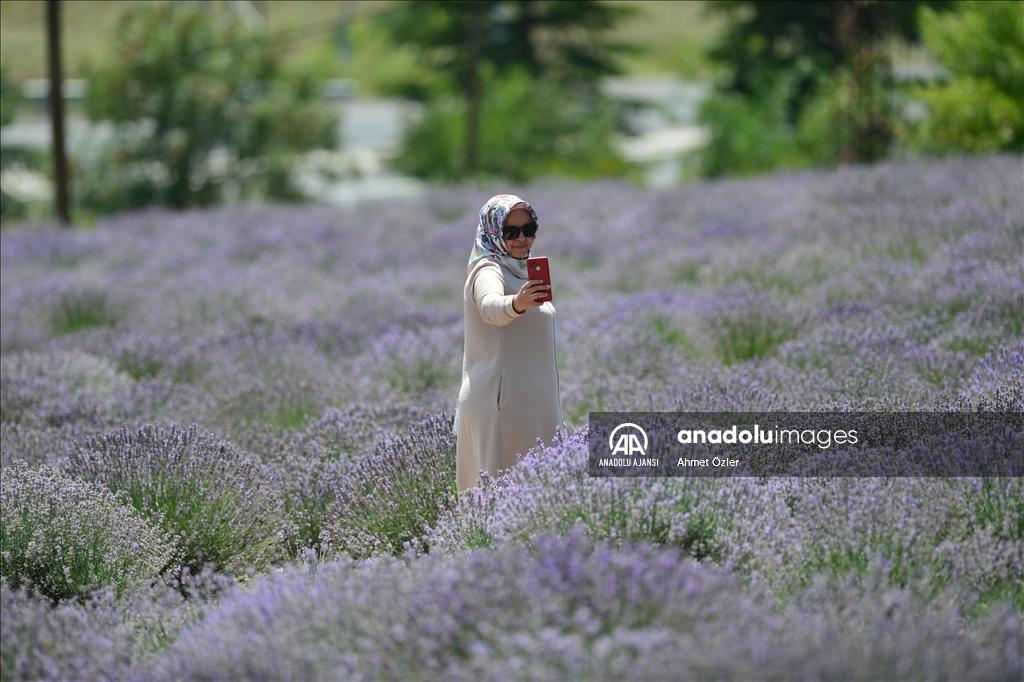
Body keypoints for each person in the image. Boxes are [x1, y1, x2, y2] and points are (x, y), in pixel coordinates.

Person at [455, 194, 563, 493]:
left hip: (531, 404)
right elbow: (490, 307)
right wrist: (516, 303)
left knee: (540, 496)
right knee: (500, 499)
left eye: (528, 229)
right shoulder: (488, 270)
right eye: (510, 232)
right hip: (502, 405)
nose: (521, 239)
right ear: (492, 232)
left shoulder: (522, 270)